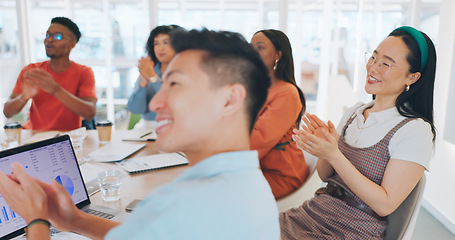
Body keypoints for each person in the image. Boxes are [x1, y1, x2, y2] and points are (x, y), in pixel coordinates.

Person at [0, 29, 280, 240]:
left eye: (175, 84)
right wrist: (75, 220)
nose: (157, 102)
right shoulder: (244, 183)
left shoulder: (189, 202)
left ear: (229, 100)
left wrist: (36, 220)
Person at [280, 26, 436, 239]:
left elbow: (385, 204)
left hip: (352, 231)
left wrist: (335, 154)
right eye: (373, 57)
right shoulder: (355, 112)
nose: (373, 68)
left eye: (386, 64)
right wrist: (325, 147)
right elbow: (326, 176)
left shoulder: (415, 131)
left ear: (412, 78)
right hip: (314, 213)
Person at [3, 17, 97, 131]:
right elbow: (7, 112)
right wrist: (24, 97)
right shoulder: (32, 71)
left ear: (72, 44)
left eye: (58, 36)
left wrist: (55, 89)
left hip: (68, 138)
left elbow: (90, 113)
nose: (49, 40)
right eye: (47, 35)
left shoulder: (83, 72)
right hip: (34, 137)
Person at [250, 29, 308, 199]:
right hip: (256, 168)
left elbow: (256, 140)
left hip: (281, 177)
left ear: (278, 55)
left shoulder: (287, 93)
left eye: (260, 47)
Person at [127, 25, 182, 129]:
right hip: (148, 127)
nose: (160, 48)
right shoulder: (149, 69)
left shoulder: (183, 72)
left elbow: (173, 102)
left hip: (176, 126)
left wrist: (153, 78)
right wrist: (143, 83)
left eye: (166, 43)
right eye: (156, 44)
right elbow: (135, 109)